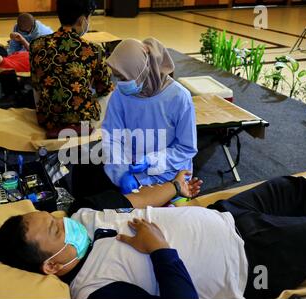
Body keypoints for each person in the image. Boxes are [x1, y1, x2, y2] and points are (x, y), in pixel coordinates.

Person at [0, 174, 306, 299]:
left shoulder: (82, 215)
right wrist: (159, 250)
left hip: (227, 214)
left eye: (54, 217)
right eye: (55, 229)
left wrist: (175, 187)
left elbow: (134, 202)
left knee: (292, 188)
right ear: (52, 265)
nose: (63, 222)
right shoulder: (96, 291)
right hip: (253, 259)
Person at [101, 38, 198, 194]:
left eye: (124, 77)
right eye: (118, 77)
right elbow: (112, 136)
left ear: (142, 69)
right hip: (130, 169)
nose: (120, 83)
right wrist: (121, 174)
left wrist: (151, 161)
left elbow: (186, 148)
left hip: (171, 175)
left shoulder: (179, 97)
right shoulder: (120, 95)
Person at [29, 0, 114, 132]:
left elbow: (36, 86)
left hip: (48, 121)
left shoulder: (36, 45)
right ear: (81, 20)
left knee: (38, 86)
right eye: (88, 17)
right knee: (110, 92)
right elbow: (104, 89)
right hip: (83, 123)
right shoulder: (94, 50)